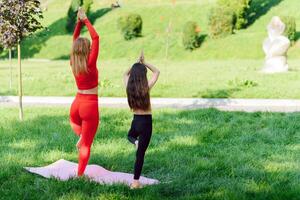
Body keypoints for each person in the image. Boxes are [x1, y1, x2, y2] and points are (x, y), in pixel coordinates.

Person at [69, 7, 100, 176]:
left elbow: (74, 39)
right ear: (88, 50)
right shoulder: (90, 63)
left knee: (78, 127)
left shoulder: (73, 62)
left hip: (76, 104)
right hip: (89, 105)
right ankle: (79, 175)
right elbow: (95, 37)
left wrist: (78, 23)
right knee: (86, 144)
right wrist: (86, 19)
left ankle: (82, 135)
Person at [123, 51, 160, 189]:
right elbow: (157, 72)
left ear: (132, 75)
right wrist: (144, 63)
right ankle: (135, 182)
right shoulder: (146, 88)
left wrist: (134, 64)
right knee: (140, 155)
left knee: (130, 135)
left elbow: (124, 75)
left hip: (136, 121)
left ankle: (135, 141)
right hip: (146, 123)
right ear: (143, 76)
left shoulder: (129, 88)